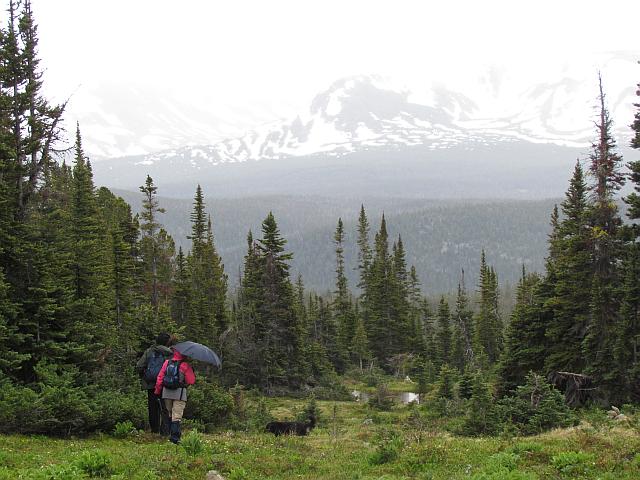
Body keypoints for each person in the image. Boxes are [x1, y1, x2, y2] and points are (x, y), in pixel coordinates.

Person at [154, 348, 196, 444]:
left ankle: (167, 434)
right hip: (179, 394)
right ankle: (175, 438)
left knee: (169, 414)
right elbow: (191, 381)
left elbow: (160, 377)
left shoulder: (167, 363)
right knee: (176, 416)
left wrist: (158, 390)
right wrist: (191, 370)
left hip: (166, 393)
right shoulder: (185, 365)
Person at [136, 333, 173, 434]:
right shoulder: (169, 353)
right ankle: (164, 430)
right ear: (167, 342)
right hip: (165, 384)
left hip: (150, 383)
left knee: (153, 408)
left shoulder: (149, 351)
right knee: (165, 407)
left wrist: (144, 375)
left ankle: (154, 430)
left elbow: (139, 365)